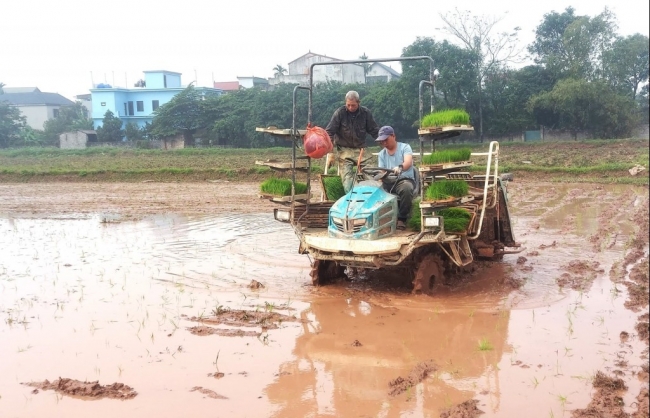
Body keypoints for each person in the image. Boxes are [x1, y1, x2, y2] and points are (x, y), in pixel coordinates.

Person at [325, 90, 380, 193]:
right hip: (344, 150)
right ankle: (350, 199)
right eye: (348, 105)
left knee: (371, 176)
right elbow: (329, 132)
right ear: (345, 103)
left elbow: (374, 130)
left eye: (353, 105)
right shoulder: (339, 113)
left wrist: (385, 144)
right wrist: (330, 152)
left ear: (359, 103)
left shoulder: (366, 113)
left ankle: (370, 197)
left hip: (361, 150)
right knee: (347, 179)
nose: (350, 108)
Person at [376, 126, 415, 231]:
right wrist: (380, 178)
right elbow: (381, 171)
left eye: (386, 139)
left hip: (403, 179)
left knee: (406, 188)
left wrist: (400, 167)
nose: (384, 143)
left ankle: (401, 218)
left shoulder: (405, 147)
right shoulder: (381, 154)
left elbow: (408, 162)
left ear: (393, 136)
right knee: (373, 189)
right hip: (388, 181)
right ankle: (379, 218)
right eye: (381, 141)